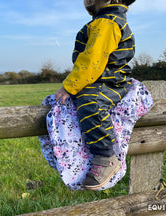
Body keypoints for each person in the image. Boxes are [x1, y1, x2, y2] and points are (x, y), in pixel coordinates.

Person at [55, 0, 136, 190]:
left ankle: (106, 157)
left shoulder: (106, 22)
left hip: (108, 80)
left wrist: (69, 86)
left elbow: (92, 60)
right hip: (103, 78)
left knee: (90, 103)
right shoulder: (105, 20)